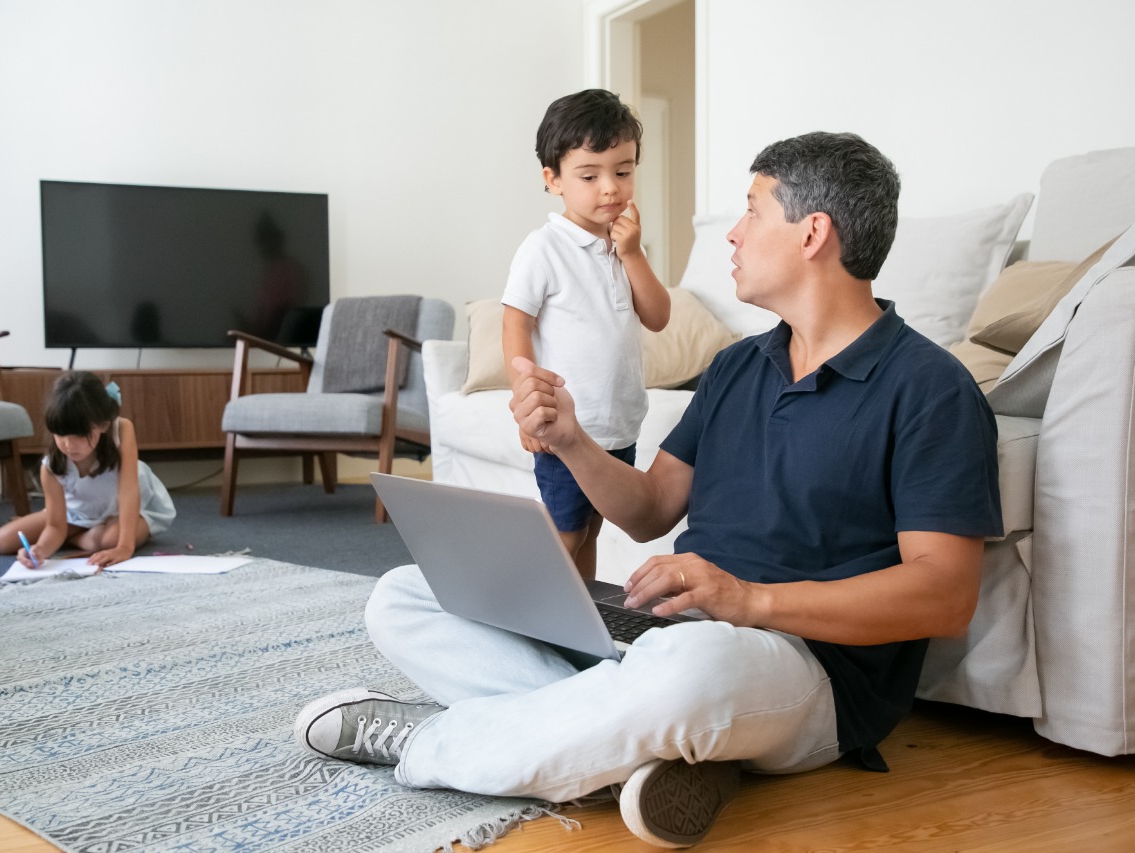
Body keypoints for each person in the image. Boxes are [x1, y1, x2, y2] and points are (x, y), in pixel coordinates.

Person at [294, 132, 1002, 849]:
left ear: (813, 232)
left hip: (805, 665)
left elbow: (945, 595)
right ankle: (656, 752)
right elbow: (649, 509)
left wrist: (749, 600)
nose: (733, 231)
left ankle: (429, 745)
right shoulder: (737, 369)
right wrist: (570, 438)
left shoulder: (929, 389)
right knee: (408, 593)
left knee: (692, 667)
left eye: (752, 211)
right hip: (669, 633)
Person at [502, 88, 670, 581]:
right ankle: (534, 619)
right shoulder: (544, 249)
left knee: (592, 529)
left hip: (618, 425)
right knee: (566, 532)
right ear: (552, 179)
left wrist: (634, 254)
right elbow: (515, 323)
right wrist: (527, 405)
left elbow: (657, 316)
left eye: (623, 171)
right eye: (590, 175)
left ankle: (585, 622)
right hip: (566, 428)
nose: (610, 189)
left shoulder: (625, 243)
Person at [0, 371, 176, 569]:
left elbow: (129, 491)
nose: (69, 445)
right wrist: (41, 549)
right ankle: (84, 537)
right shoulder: (51, 467)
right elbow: (55, 526)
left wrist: (124, 547)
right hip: (76, 513)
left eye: (80, 435)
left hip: (123, 509)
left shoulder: (121, 429)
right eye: (61, 435)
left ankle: (84, 537)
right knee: (2, 541)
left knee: (110, 541)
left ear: (103, 425)